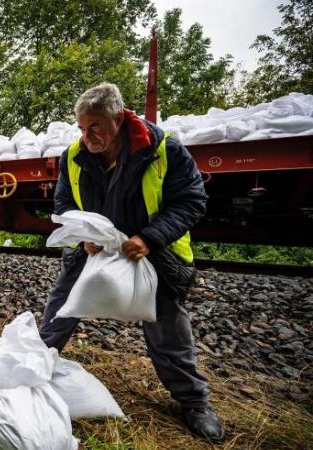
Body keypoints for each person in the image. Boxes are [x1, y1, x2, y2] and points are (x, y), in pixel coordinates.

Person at [40, 83, 222, 443]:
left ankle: (194, 403)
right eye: (80, 128)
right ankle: (33, 371)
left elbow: (191, 202)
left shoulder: (163, 150)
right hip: (93, 250)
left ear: (119, 118)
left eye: (94, 127)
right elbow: (63, 206)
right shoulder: (74, 156)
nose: (86, 135)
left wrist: (149, 238)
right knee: (58, 315)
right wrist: (82, 235)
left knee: (168, 332)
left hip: (151, 252)